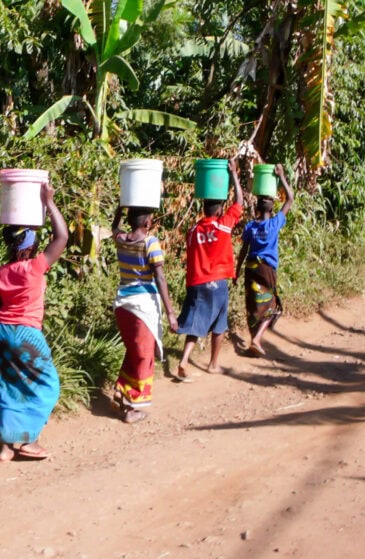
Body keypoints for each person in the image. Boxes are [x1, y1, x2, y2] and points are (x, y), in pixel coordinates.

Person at [0, 181, 68, 461]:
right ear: (31, 244)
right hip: (27, 333)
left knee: (6, 386)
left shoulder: (0, 273)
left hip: (1, 332)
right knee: (46, 385)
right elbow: (62, 238)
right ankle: (27, 440)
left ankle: (6, 447)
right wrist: (49, 203)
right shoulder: (34, 268)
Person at [176, 157, 244, 380]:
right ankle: (212, 363)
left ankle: (186, 359)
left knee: (197, 323)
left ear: (203, 207)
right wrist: (234, 174)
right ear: (220, 208)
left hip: (196, 283)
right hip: (217, 283)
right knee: (219, 323)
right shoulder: (223, 225)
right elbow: (240, 203)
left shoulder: (193, 229)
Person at [110, 206, 179, 423]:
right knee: (143, 356)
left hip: (123, 304)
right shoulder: (151, 243)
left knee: (133, 351)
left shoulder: (121, 239)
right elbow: (160, 278)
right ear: (147, 222)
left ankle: (121, 390)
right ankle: (132, 407)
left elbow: (114, 227)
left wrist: (120, 209)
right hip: (142, 306)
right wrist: (171, 313)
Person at [235, 163, 295, 356]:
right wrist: (282, 176)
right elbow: (291, 199)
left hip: (251, 267)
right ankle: (256, 338)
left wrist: (236, 271)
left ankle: (254, 339)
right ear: (272, 207)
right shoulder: (274, 223)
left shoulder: (251, 226)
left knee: (253, 304)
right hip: (266, 269)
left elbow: (243, 250)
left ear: (258, 207)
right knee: (273, 306)